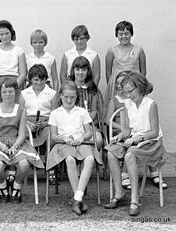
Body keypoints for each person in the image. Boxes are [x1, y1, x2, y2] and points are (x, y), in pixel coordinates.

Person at [104, 72, 167, 217]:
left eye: (131, 91)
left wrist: (138, 138)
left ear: (139, 86)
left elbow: (155, 132)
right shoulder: (127, 104)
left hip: (151, 142)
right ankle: (119, 192)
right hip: (134, 140)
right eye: (125, 92)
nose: (128, 95)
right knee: (111, 152)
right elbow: (127, 130)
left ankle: (134, 199)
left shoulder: (150, 104)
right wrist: (119, 136)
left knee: (129, 155)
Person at [0, 78, 44, 203]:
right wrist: (1, 146)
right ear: (0, 93)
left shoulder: (21, 110)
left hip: (17, 142)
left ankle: (16, 187)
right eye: (4, 92)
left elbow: (22, 134)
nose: (7, 94)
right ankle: (3, 186)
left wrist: (15, 146)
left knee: (24, 164)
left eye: (10, 91)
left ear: (15, 92)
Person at [46, 81, 103, 215]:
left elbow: (89, 132)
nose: (69, 100)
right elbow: (54, 136)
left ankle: (77, 199)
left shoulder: (82, 112)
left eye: (72, 97)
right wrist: (64, 138)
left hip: (81, 143)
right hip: (63, 144)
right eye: (66, 97)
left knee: (90, 158)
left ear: (76, 97)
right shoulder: (55, 113)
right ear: (60, 96)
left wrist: (82, 138)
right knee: (70, 159)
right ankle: (79, 199)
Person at [19, 64, 57, 184]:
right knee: (18, 134)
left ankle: (50, 167)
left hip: (45, 122)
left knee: (51, 135)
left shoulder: (52, 93)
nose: (39, 82)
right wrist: (28, 123)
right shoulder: (24, 93)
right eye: (36, 79)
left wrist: (45, 123)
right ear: (30, 80)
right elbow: (20, 113)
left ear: (46, 79)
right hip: (28, 122)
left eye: (42, 79)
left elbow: (55, 114)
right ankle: (19, 165)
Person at [105, 21, 147, 108]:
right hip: (118, 85)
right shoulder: (112, 51)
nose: (124, 36)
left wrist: (138, 85)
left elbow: (143, 72)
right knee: (118, 108)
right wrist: (113, 86)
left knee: (134, 107)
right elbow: (108, 72)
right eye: (121, 34)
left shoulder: (139, 50)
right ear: (117, 35)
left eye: (126, 33)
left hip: (134, 84)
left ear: (131, 34)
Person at [67, 56, 104, 149]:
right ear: (73, 70)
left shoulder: (93, 90)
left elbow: (94, 112)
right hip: (70, 125)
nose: (80, 72)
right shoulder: (67, 88)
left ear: (88, 71)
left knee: (98, 140)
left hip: (89, 125)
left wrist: (83, 122)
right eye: (77, 69)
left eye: (84, 69)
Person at [0, 20, 26, 104]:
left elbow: (23, 73)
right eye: (1, 34)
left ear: (11, 33)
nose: (4, 37)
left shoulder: (19, 50)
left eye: (7, 33)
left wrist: (15, 87)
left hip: (15, 83)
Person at [105, 71, 131, 189]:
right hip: (118, 132)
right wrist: (122, 128)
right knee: (128, 142)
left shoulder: (133, 99)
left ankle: (153, 172)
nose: (120, 86)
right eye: (118, 83)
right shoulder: (114, 100)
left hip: (132, 131)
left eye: (123, 83)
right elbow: (108, 120)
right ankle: (124, 175)